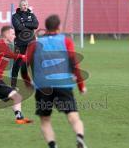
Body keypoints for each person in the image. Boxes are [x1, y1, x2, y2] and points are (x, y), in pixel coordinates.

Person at [25, 15, 88, 148]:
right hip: (63, 84)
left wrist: (27, 82)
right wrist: (81, 86)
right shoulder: (66, 41)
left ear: (46, 27)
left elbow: (25, 64)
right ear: (59, 27)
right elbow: (74, 63)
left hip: (43, 86)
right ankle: (80, 137)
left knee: (45, 120)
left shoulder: (35, 44)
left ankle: (53, 146)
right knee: (73, 116)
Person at [11, 0, 39, 89]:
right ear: (20, 6)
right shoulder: (15, 16)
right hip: (20, 43)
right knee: (16, 64)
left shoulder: (31, 15)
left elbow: (36, 25)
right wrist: (28, 25)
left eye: (26, 4)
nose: (25, 6)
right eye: (23, 5)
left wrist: (24, 24)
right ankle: (13, 85)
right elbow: (18, 27)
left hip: (31, 42)